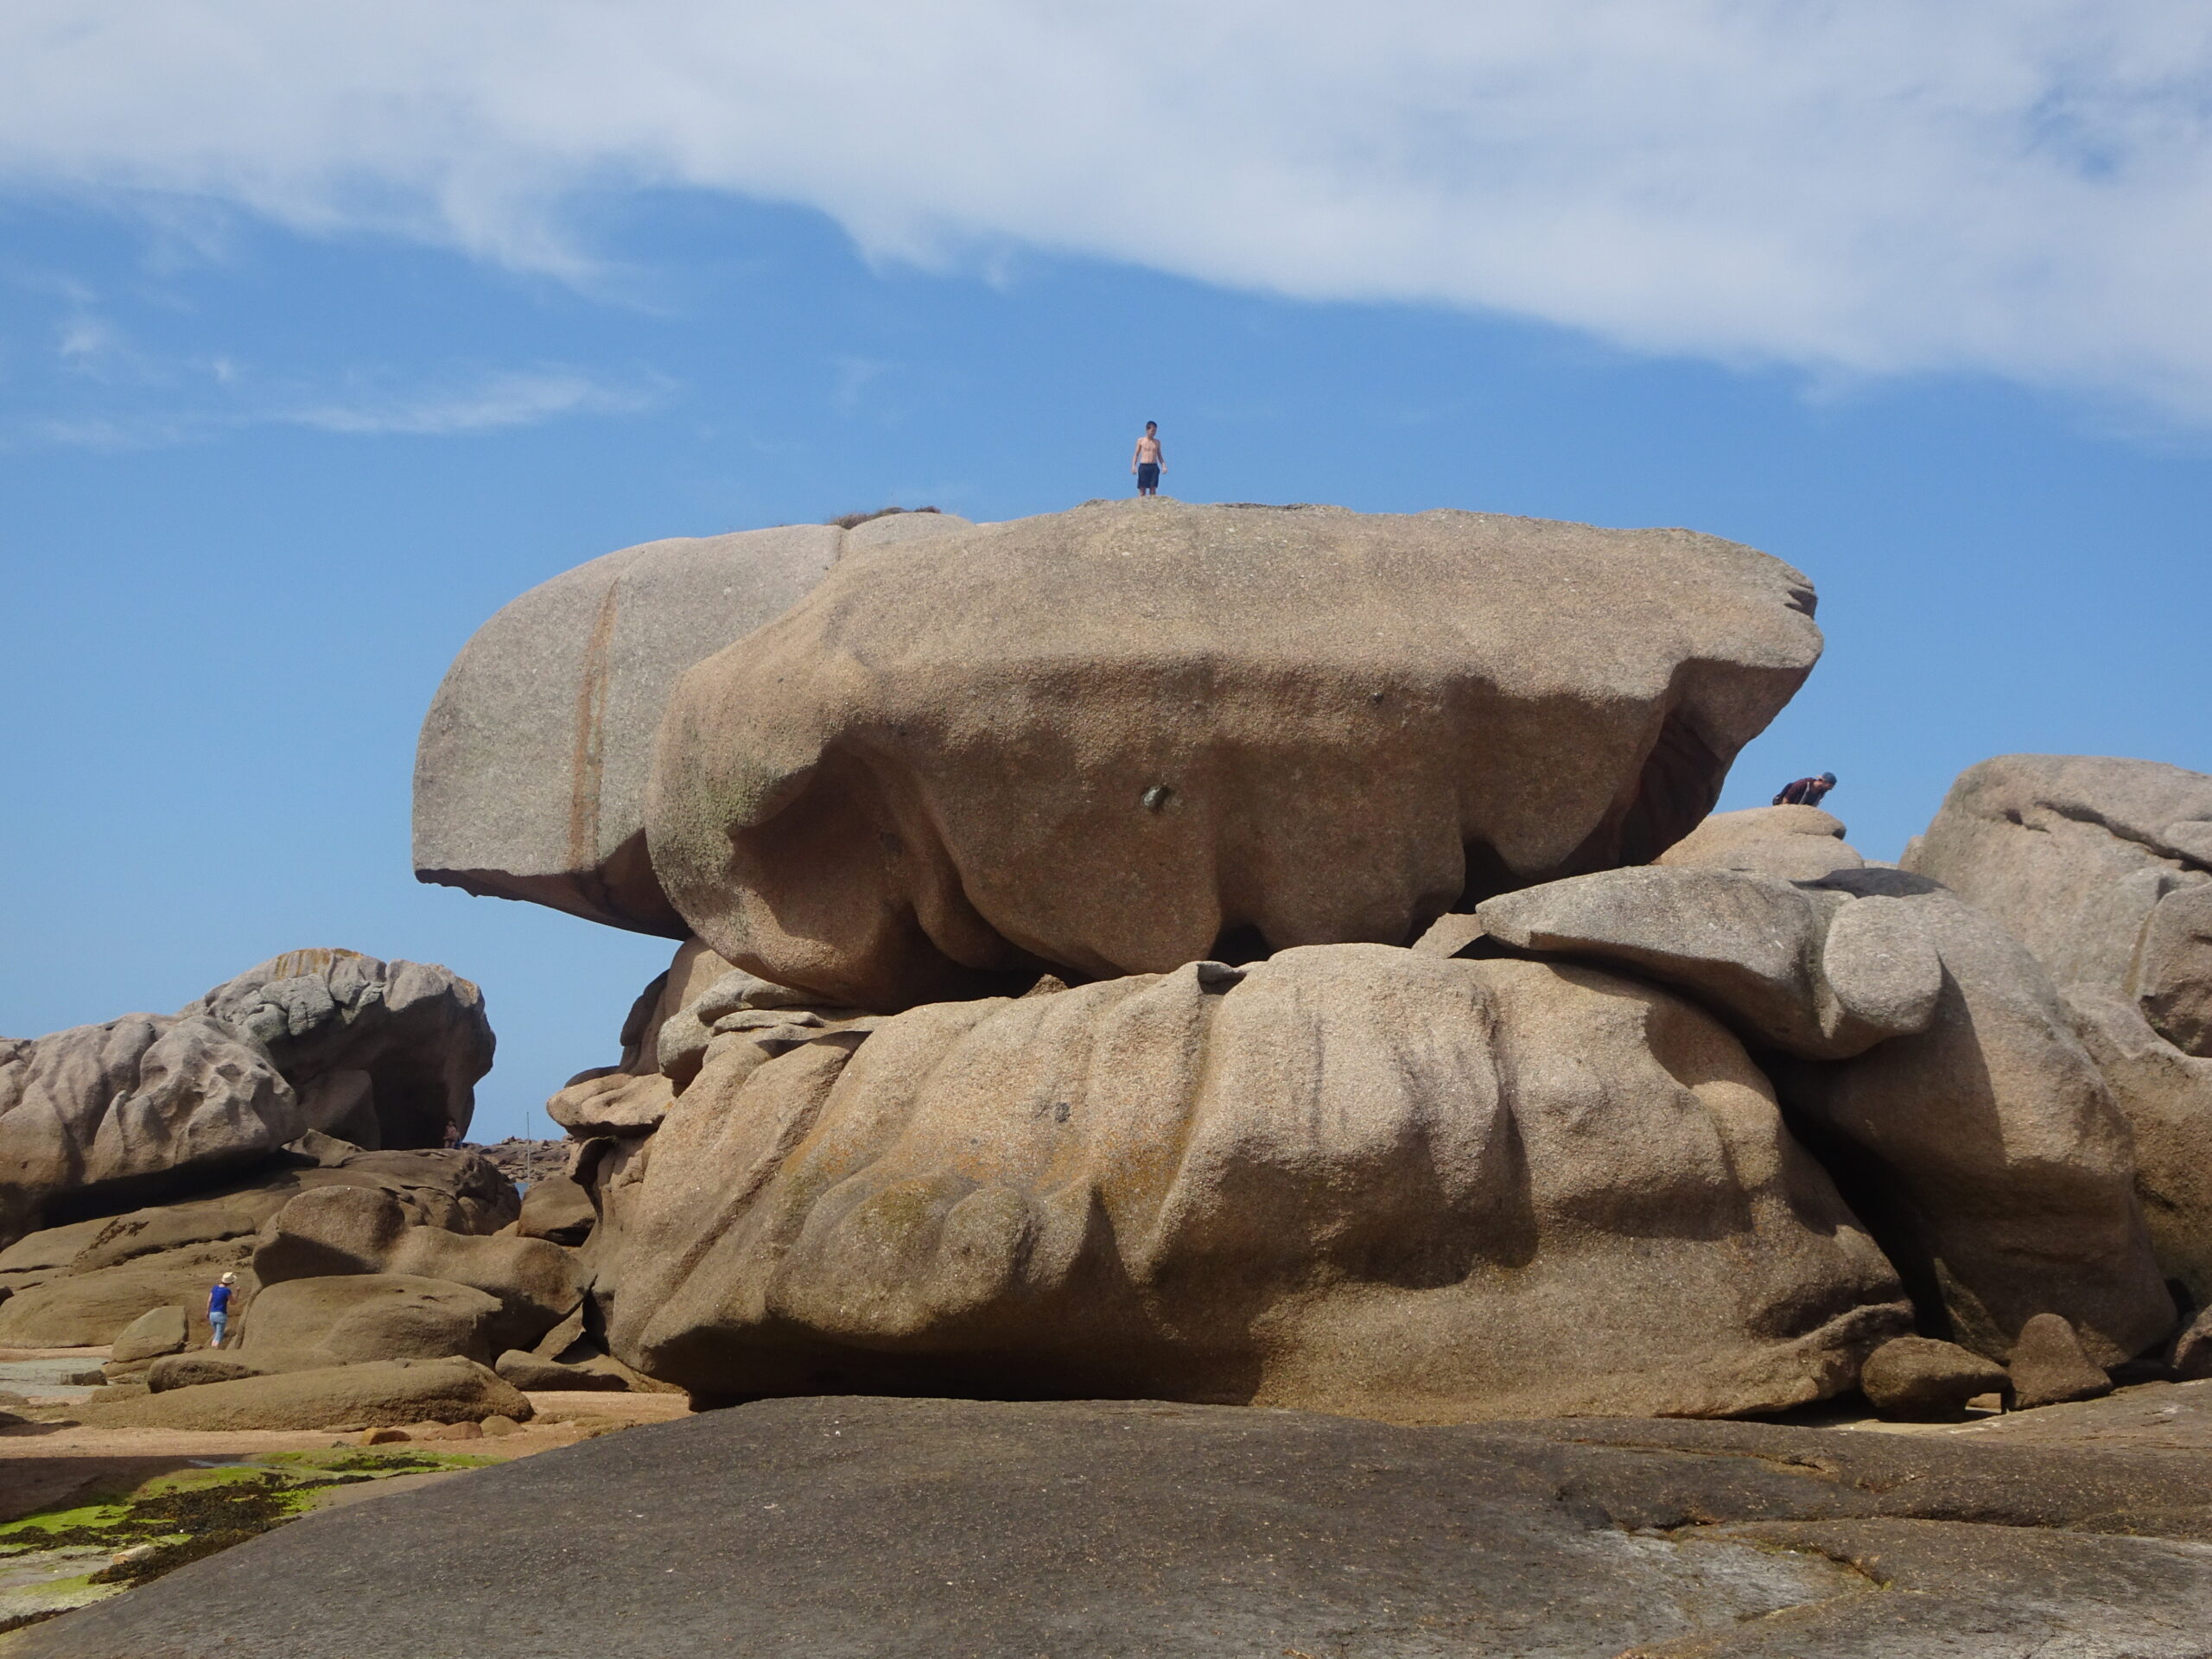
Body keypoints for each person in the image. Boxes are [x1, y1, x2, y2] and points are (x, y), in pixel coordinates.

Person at [1131, 422, 1165, 497]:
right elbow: (1136, 454)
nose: (1154, 433)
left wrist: (1164, 466)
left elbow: (1159, 456)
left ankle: (1152, 506)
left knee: (1153, 489)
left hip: (1154, 466)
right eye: (1152, 431)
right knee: (1142, 489)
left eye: (1155, 431)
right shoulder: (1141, 441)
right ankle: (1141, 505)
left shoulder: (1157, 442)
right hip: (1143, 466)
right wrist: (1133, 466)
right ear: (1147, 430)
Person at [1773, 772, 1838, 807]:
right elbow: (1787, 798)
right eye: (1830, 786)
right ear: (1824, 781)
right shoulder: (1802, 784)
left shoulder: (1821, 793)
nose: (1830, 789)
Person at [208, 1272, 237, 1348]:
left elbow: (209, 1300)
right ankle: (213, 1350)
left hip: (212, 1314)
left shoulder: (214, 1288)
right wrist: (238, 1293)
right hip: (220, 1314)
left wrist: (207, 1312)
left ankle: (212, 1349)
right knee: (219, 1336)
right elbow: (233, 1303)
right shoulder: (227, 1291)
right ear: (230, 1282)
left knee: (216, 1334)